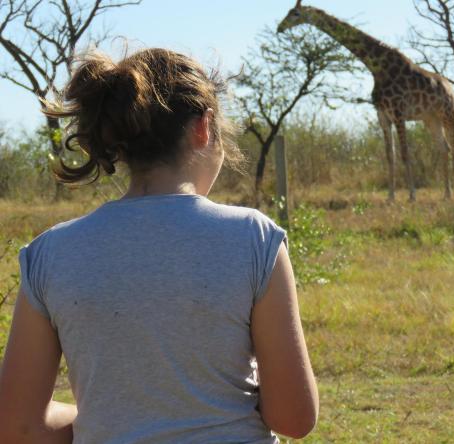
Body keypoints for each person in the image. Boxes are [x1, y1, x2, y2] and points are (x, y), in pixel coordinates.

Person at [0, 48, 319, 443]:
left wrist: (108, 419)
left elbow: (17, 426)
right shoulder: (254, 238)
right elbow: (294, 418)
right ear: (203, 128)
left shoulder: (50, 253)